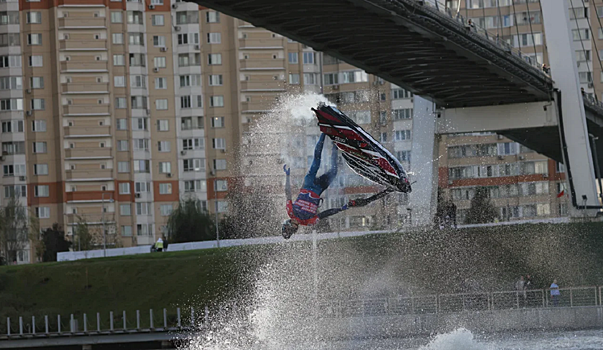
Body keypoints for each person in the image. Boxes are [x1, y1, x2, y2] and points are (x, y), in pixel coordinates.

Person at [282, 133, 392, 239]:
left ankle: (323, 134)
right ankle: (335, 144)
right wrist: (340, 209)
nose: (287, 223)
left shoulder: (290, 211)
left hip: (307, 185)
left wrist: (287, 176)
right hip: (319, 189)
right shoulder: (308, 222)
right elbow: (325, 213)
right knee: (334, 171)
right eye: (287, 226)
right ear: (292, 228)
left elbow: (288, 193)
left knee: (316, 162)